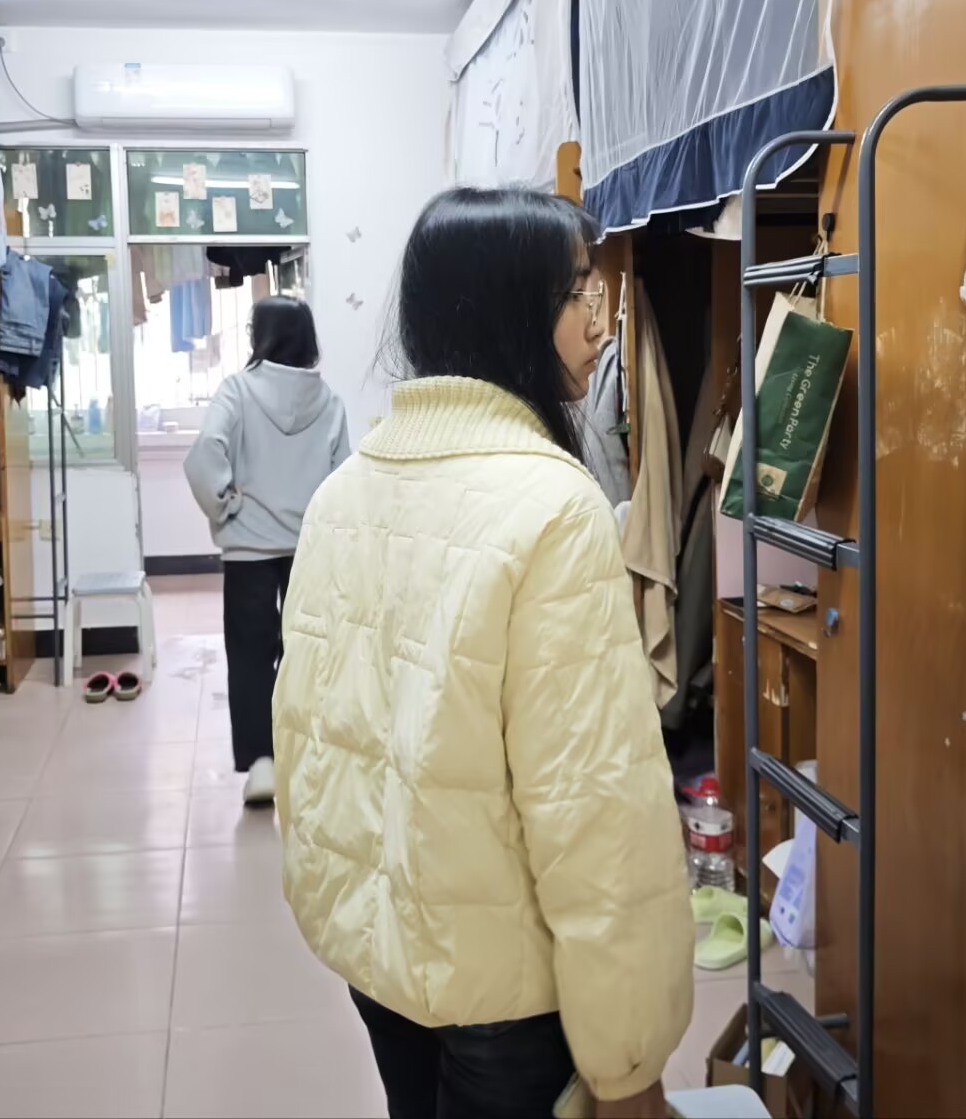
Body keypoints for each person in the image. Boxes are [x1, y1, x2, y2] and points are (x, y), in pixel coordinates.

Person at [273, 189, 692, 1119]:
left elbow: (310, 741)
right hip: (505, 994)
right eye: (578, 292)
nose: (599, 321)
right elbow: (596, 813)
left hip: (379, 956)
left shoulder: (343, 494)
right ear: (510, 307)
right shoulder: (555, 507)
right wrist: (629, 1061)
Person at [184, 296, 349, 805]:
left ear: (261, 337)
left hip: (248, 548)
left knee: (251, 655)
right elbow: (343, 479)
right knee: (306, 651)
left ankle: (261, 764)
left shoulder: (237, 391)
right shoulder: (330, 402)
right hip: (308, 548)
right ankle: (307, 758)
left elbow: (205, 451)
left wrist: (224, 506)